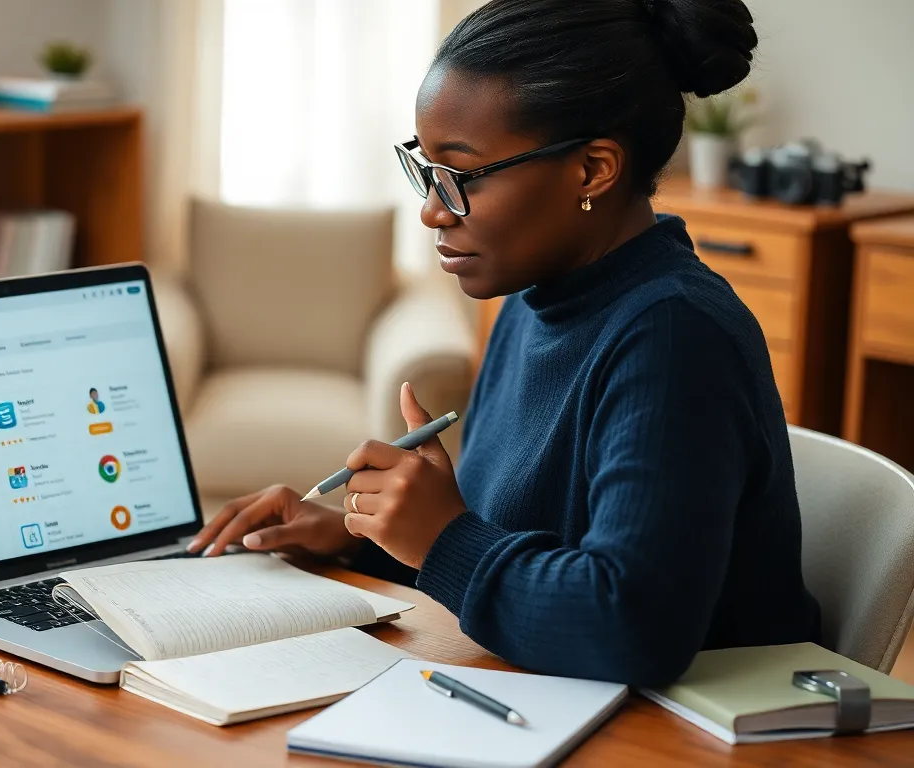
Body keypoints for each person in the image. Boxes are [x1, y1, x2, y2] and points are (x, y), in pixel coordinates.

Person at [187, 0, 821, 688]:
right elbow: (518, 550)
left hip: (687, 732)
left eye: (460, 175)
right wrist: (358, 539)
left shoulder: (673, 337)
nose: (432, 208)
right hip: (558, 693)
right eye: (425, 169)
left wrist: (441, 536)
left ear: (592, 170)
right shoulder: (529, 299)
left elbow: (631, 627)